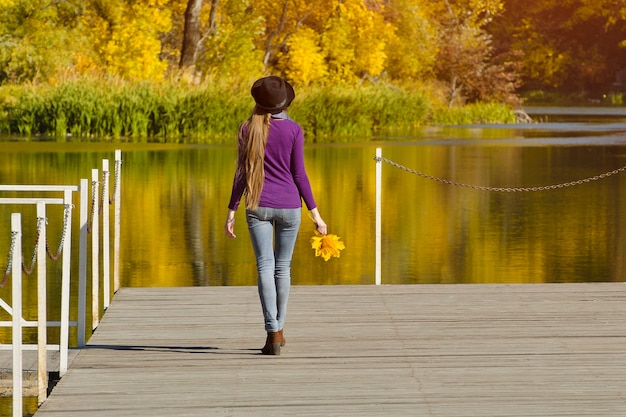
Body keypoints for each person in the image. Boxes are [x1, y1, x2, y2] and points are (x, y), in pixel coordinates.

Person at [225, 76, 327, 356]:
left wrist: (231, 210)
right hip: (290, 207)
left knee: (264, 267)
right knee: (283, 268)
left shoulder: (247, 128)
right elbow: (299, 175)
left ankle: (273, 331)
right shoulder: (294, 130)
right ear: (285, 103)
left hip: (257, 205)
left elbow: (241, 175)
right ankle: (279, 329)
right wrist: (316, 215)